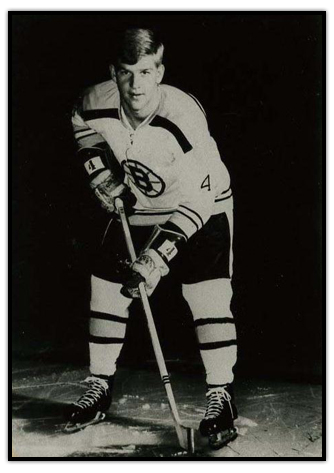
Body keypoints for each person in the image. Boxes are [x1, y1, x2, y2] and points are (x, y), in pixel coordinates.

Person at [66, 28, 238, 449]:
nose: (136, 85)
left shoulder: (184, 117)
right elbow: (80, 122)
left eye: (146, 71)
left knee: (208, 297)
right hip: (140, 206)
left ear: (160, 70)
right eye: (126, 73)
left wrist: (157, 258)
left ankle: (221, 396)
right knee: (106, 290)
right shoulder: (96, 100)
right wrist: (102, 176)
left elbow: (199, 196)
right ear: (114, 73)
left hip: (203, 205)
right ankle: (99, 385)